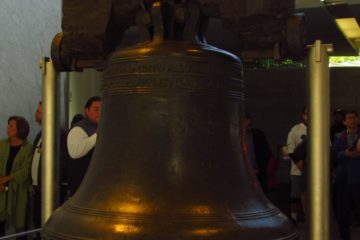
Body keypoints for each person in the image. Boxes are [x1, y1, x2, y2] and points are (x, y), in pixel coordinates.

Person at [0, 116, 32, 238]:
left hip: (19, 192)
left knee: (20, 225)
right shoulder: (2, 144)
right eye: (8, 125)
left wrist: (7, 179)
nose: (8, 128)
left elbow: (26, 171)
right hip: (1, 191)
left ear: (20, 129)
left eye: (11, 125)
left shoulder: (28, 148)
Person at [334, 110, 360, 240]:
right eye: (349, 118)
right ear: (344, 122)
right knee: (343, 213)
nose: (352, 120)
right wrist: (345, 154)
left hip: (358, 178)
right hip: (343, 179)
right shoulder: (339, 137)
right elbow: (333, 156)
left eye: (354, 117)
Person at [67, 96, 101, 196]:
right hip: (81, 187)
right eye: (96, 109)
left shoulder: (101, 127)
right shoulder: (78, 129)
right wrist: (97, 136)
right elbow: (75, 152)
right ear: (86, 111)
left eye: (102, 110)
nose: (99, 113)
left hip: (96, 185)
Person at [286, 107, 307, 225]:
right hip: (298, 169)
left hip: (314, 170)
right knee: (295, 194)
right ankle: (293, 219)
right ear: (303, 115)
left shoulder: (320, 127)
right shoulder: (296, 129)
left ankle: (310, 218)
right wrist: (298, 161)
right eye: (306, 114)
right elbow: (289, 148)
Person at [243, 112, 271, 193]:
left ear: (249, 120)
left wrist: (259, 168)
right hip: (242, 173)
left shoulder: (258, 134)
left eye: (244, 119)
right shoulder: (235, 135)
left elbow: (266, 152)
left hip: (257, 172)